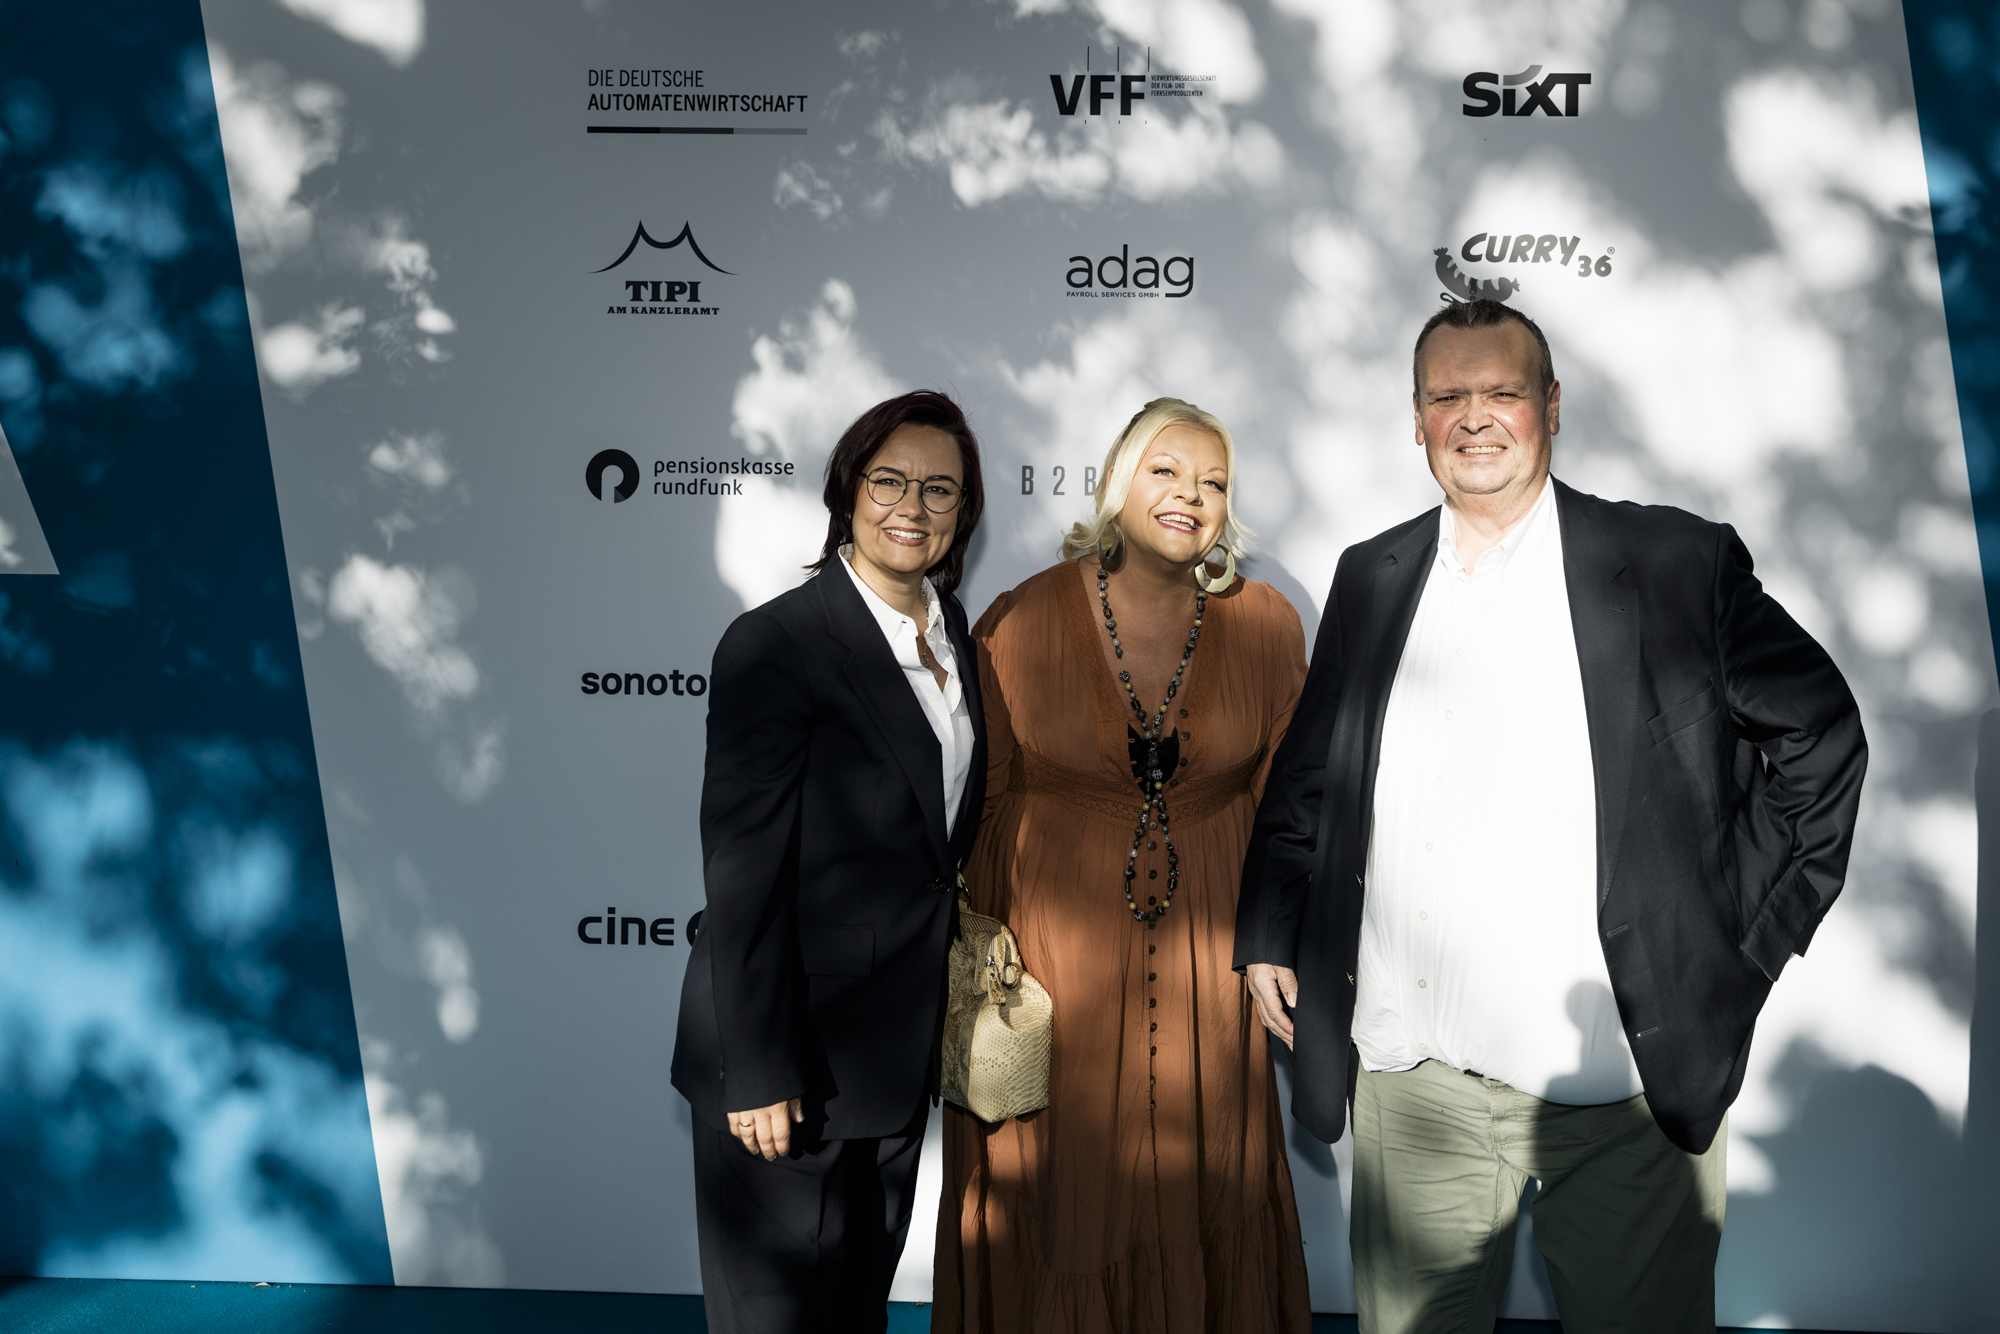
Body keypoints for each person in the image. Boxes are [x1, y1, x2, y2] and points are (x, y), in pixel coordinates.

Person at [1235, 298, 1867, 1332]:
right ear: (1415, 417)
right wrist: (1269, 925)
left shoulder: (1672, 562)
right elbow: (1311, 774)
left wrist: (1737, 942)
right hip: (1414, 1079)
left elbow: (1821, 735)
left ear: (1552, 405)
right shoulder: (1370, 574)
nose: (1473, 417)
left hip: (1619, 1091)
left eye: (1502, 392)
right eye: (1448, 395)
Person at [932, 398, 1313, 1334]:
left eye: (1213, 482)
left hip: (1210, 970)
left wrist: (1282, 939)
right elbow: (984, 802)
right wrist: (986, 973)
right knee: (1063, 1189)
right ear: (1115, 483)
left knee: (1208, 1170)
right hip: (1055, 971)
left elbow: (1291, 807)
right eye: (1165, 471)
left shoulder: (1267, 626)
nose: (1190, 495)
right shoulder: (1021, 619)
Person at [671, 390, 988, 1334]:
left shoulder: (953, 631)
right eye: (889, 481)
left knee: (855, 1318)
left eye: (940, 489)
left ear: (966, 509)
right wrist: (758, 1069)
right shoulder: (777, 644)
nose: (912, 507)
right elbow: (743, 870)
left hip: (892, 1057)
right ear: (847, 491)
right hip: (791, 1059)